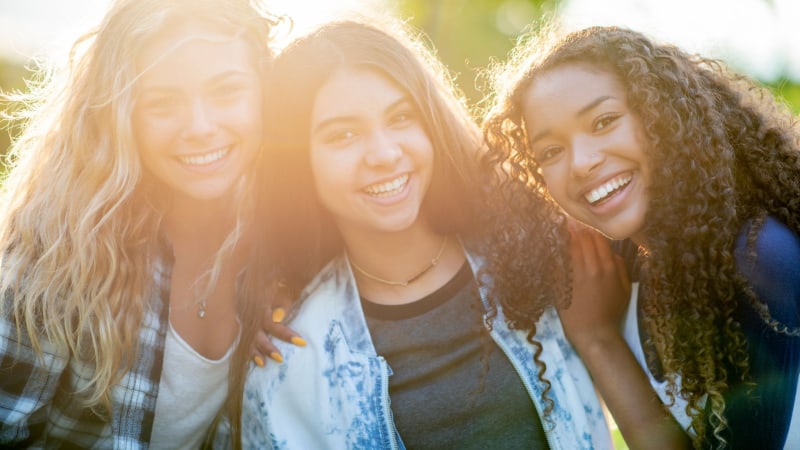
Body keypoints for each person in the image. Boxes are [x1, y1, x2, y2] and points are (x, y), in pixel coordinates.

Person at [235, 17, 613, 450]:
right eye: (343, 134)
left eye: (401, 117)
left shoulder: (543, 257)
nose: (384, 153)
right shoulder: (292, 359)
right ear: (300, 164)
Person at [483, 25, 800, 449]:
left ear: (663, 116)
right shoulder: (622, 265)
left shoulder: (759, 258)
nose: (581, 163)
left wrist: (599, 341)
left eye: (604, 121)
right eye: (551, 152)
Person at [0, 0, 280, 447]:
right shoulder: (57, 252)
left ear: (266, 93)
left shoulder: (286, 244)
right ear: (121, 116)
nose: (200, 126)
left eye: (227, 91)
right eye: (163, 103)